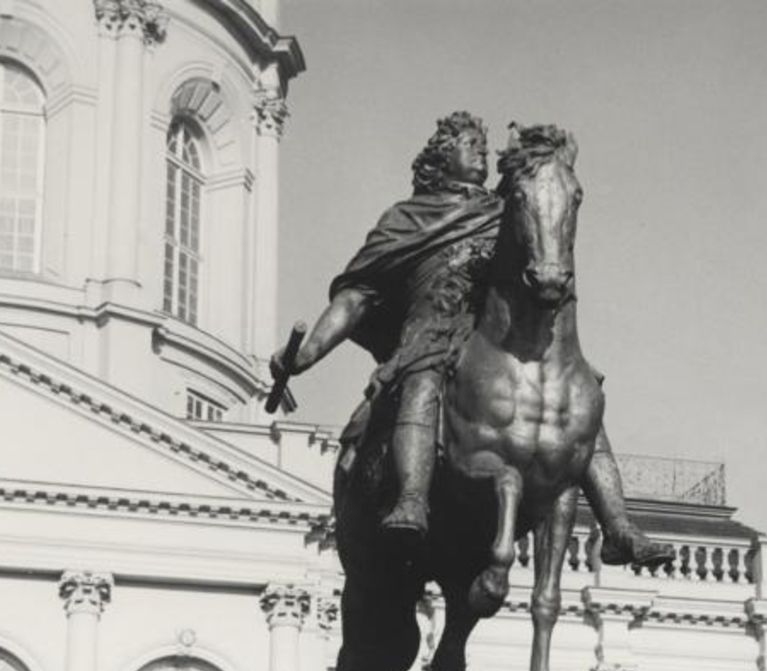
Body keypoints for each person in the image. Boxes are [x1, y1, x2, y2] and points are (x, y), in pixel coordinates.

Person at [271, 112, 673, 569]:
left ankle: (618, 524)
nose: (481, 151)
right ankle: (412, 498)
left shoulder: (501, 212)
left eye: (483, 145)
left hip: (490, 338)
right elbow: (357, 297)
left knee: (581, 398)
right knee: (422, 382)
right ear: (442, 157)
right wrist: (306, 354)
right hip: (429, 336)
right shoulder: (407, 218)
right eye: (468, 143)